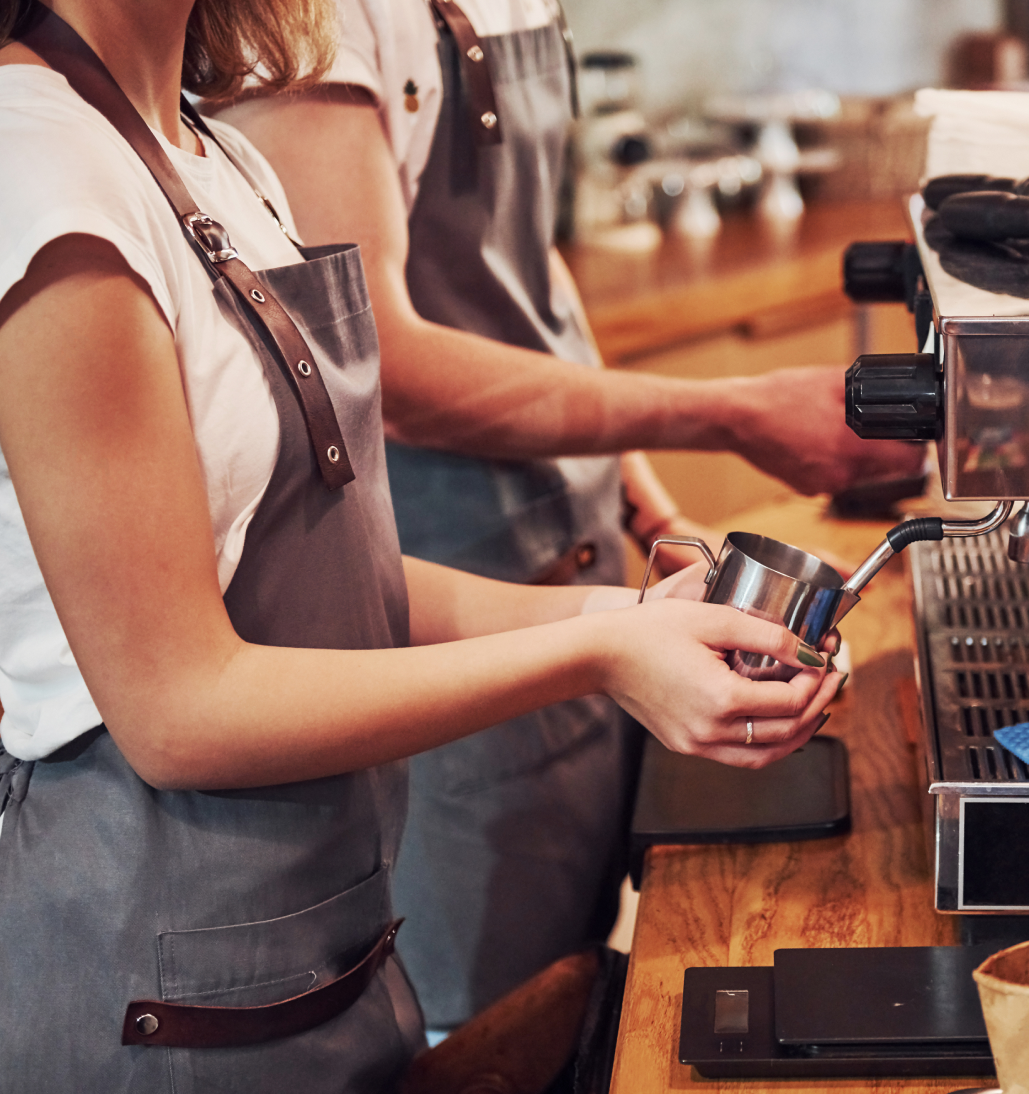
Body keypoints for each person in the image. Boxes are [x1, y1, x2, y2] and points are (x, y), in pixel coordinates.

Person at [0, 0, 841, 1094]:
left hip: (313, 971)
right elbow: (177, 706)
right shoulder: (39, 174)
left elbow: (340, 581)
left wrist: (629, 612)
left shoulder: (210, 151)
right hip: (160, 1018)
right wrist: (597, 653)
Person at [211, 0, 919, 1034]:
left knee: (584, 1000)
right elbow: (383, 366)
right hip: (450, 595)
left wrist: (643, 502)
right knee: (484, 1036)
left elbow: (528, 274)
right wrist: (724, 412)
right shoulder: (317, 22)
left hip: (573, 568)